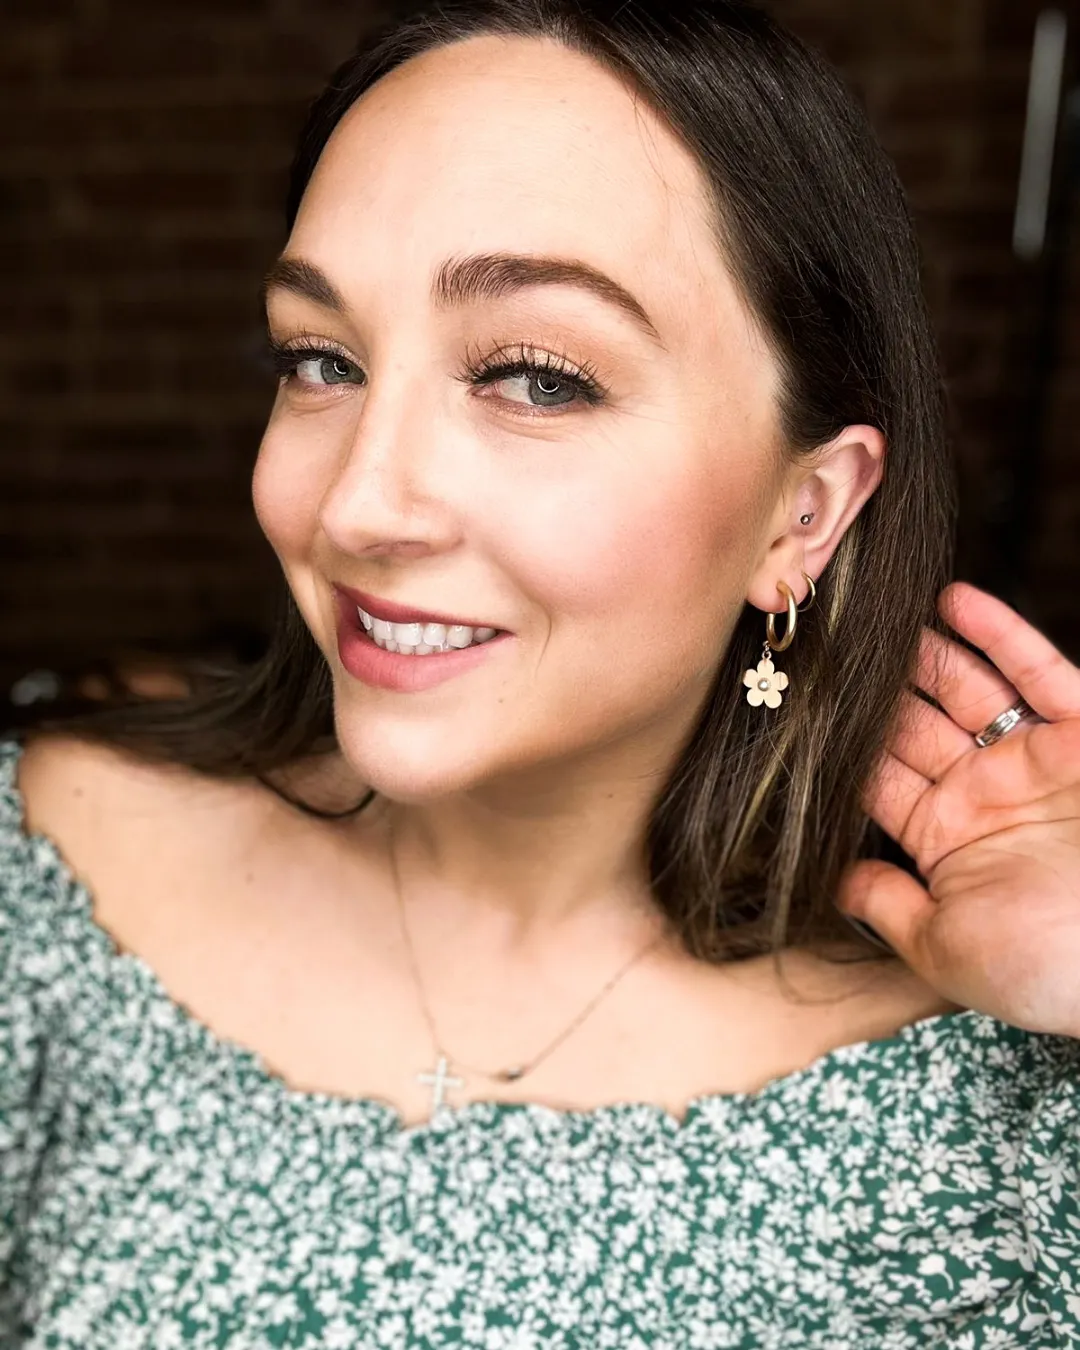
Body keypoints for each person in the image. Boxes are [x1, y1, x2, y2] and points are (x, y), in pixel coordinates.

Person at [2, 1, 1079, 1345]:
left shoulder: (1015, 1108)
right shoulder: (48, 880)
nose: (359, 504)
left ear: (801, 511)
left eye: (534, 378)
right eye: (319, 360)